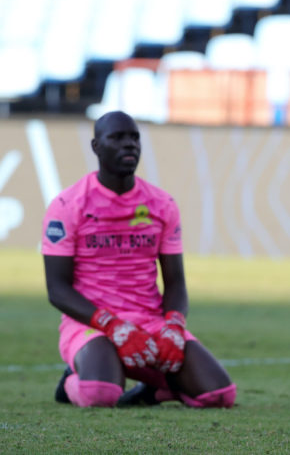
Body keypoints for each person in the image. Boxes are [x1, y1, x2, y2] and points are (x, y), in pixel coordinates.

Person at [42, 110, 236, 409]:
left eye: (134, 137)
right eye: (117, 137)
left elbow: (175, 283)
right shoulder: (68, 205)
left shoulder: (161, 204)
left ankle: (151, 391)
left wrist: (174, 326)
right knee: (100, 394)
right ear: (96, 147)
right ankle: (70, 384)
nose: (129, 144)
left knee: (219, 395)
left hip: (150, 322)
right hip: (91, 324)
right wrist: (111, 325)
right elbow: (57, 289)